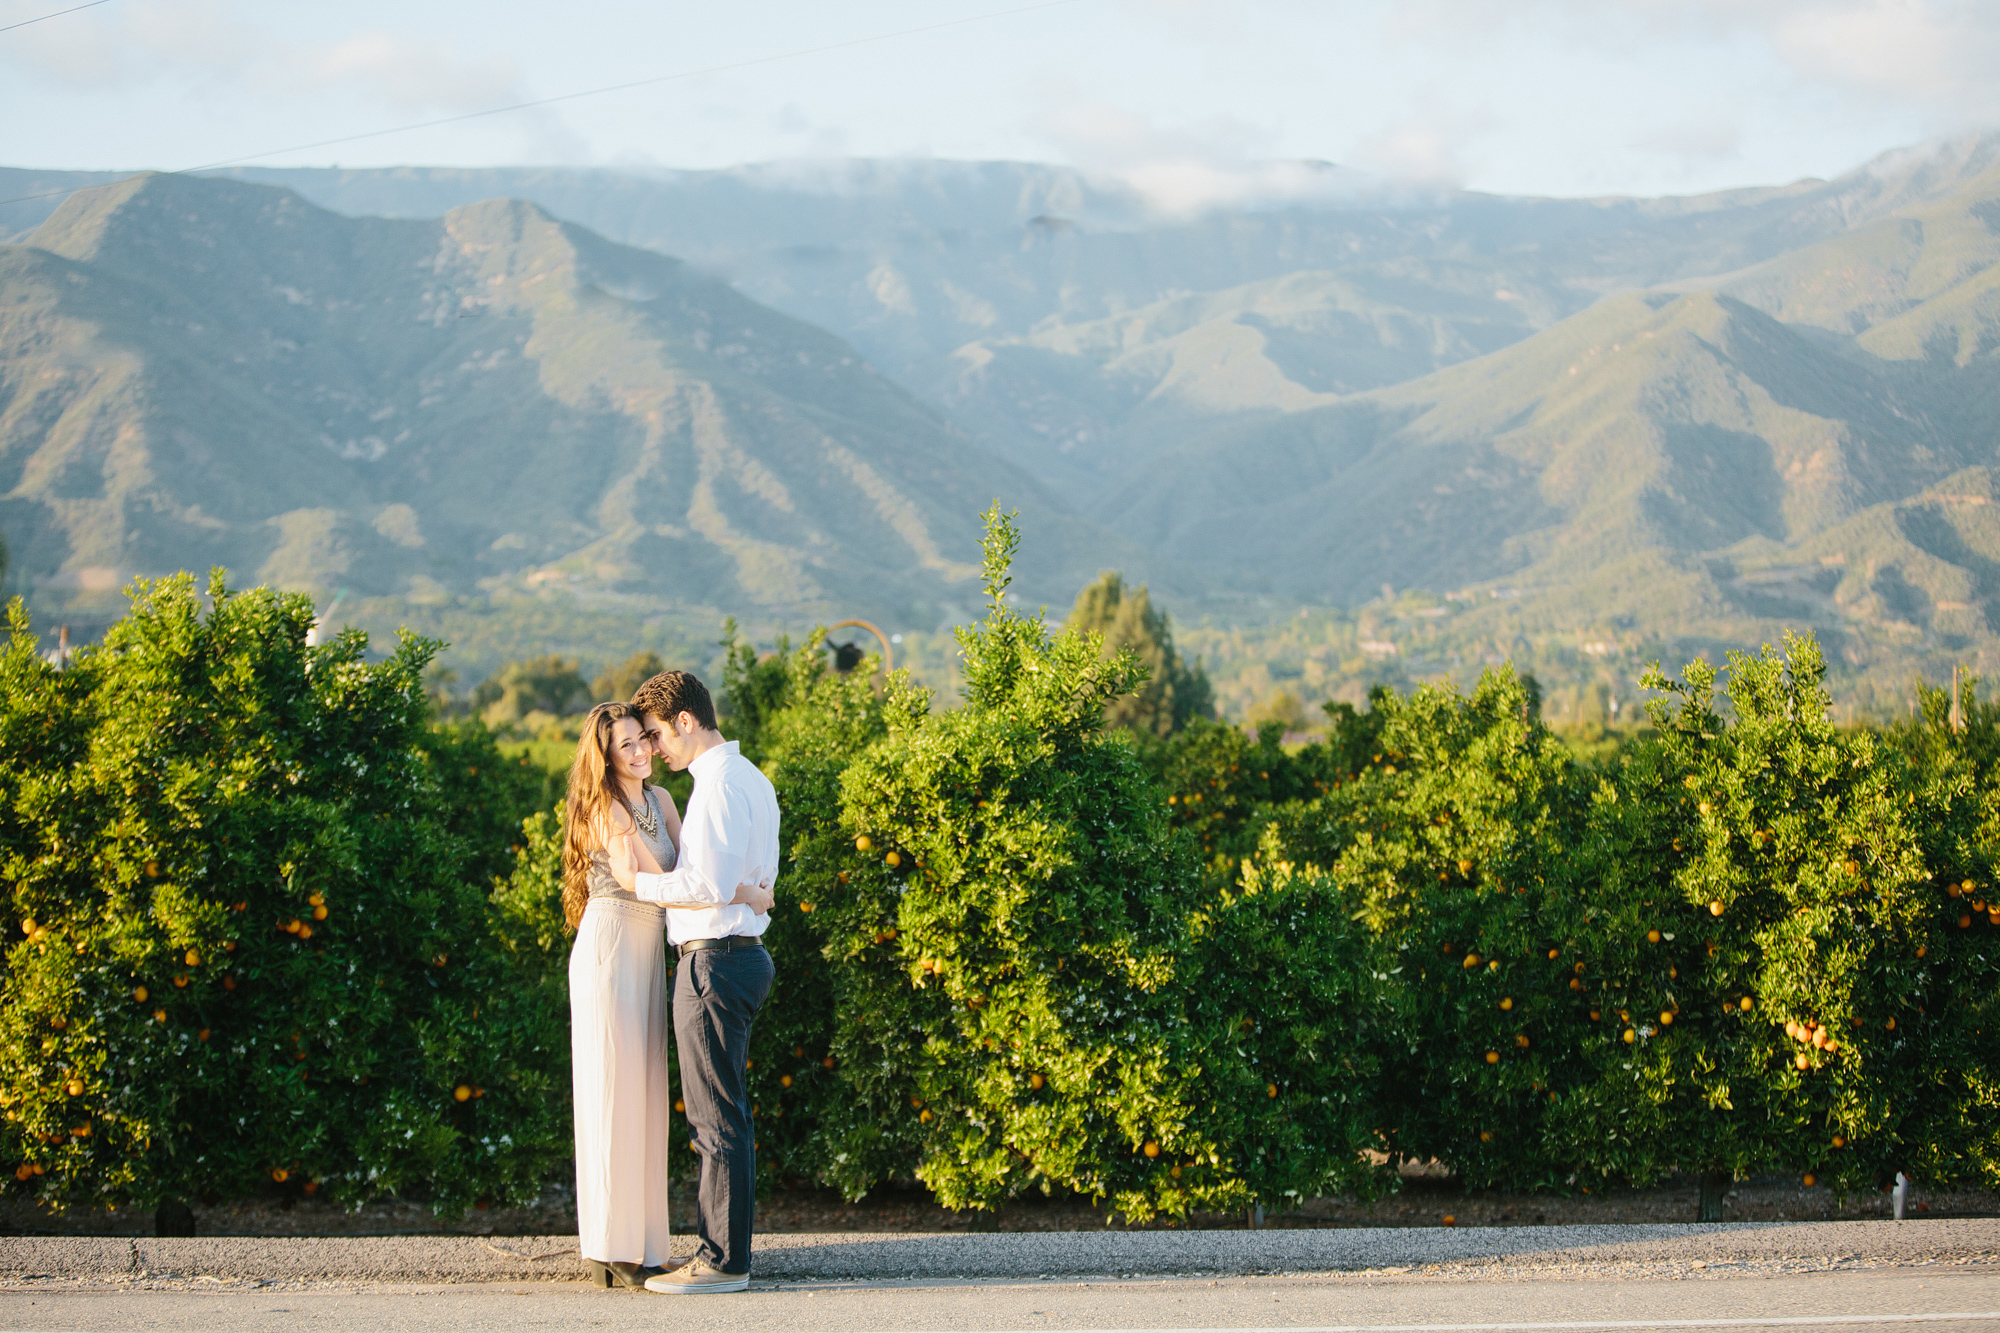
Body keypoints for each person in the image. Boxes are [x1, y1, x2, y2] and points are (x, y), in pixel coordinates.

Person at [563, 701, 773, 1291]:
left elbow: (693, 875)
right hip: (610, 944)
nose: (640, 752)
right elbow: (643, 884)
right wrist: (748, 895)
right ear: (603, 758)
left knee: (649, 1095)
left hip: (650, 948)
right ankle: (610, 1246)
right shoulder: (607, 806)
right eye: (624, 745)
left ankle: (646, 1243)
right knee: (611, 1088)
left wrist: (739, 891)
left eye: (641, 739)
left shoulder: (662, 801)